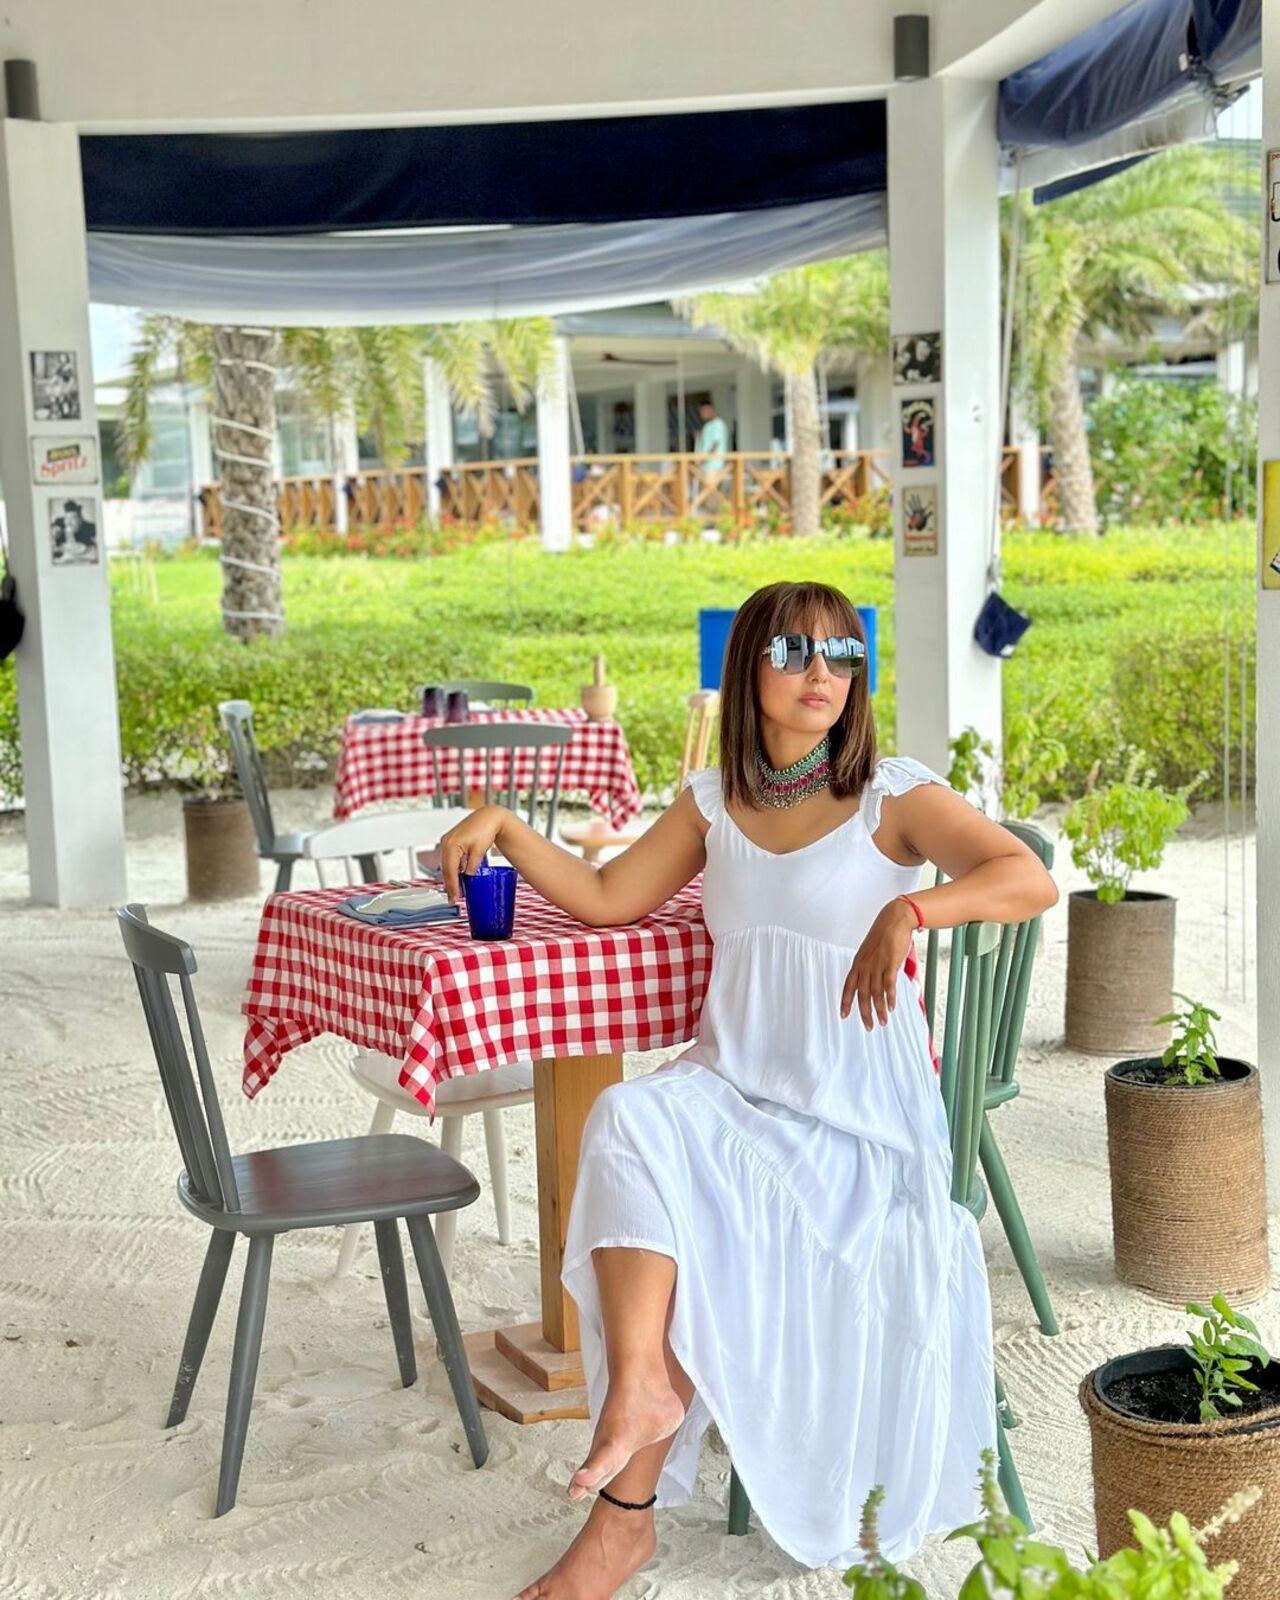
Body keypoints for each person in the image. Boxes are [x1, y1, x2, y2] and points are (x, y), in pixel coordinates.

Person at [437, 581, 1058, 1600]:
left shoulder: (886, 797)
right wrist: (503, 822)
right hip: (734, 1086)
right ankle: (639, 1387)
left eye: (840, 655)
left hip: (853, 1119)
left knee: (685, 1195)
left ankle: (620, 1520)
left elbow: (1023, 874)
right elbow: (603, 897)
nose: (821, 673)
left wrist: (913, 915)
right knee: (630, 1113)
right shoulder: (710, 801)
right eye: (794, 652)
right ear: (748, 670)